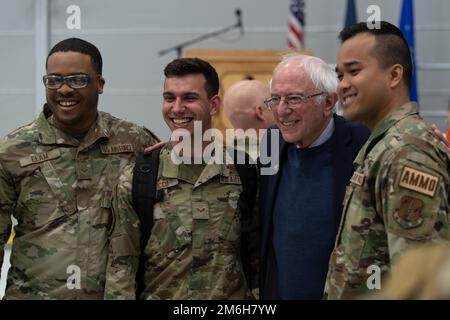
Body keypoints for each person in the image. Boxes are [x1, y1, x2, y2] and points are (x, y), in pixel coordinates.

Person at [0, 38, 159, 299]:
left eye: (77, 80)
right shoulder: (13, 150)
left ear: (100, 83)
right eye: (53, 80)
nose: (64, 89)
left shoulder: (134, 142)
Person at [105, 57, 259, 300]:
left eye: (189, 98)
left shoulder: (244, 171)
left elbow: (256, 258)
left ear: (214, 104)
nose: (177, 108)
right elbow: (121, 269)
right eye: (169, 98)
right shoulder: (139, 177)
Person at [324, 21, 450, 300]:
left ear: (394, 75)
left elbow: (422, 284)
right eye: (340, 75)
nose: (342, 85)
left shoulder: (407, 152)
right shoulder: (384, 145)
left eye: (354, 71)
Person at [259, 53, 370, 299]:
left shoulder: (364, 142)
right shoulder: (271, 141)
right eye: (275, 99)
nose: (281, 110)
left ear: (329, 102)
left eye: (294, 99)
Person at [223, 80, 275, 161]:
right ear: (260, 112)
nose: (280, 110)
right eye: (273, 104)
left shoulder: (220, 160)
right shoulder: (281, 157)